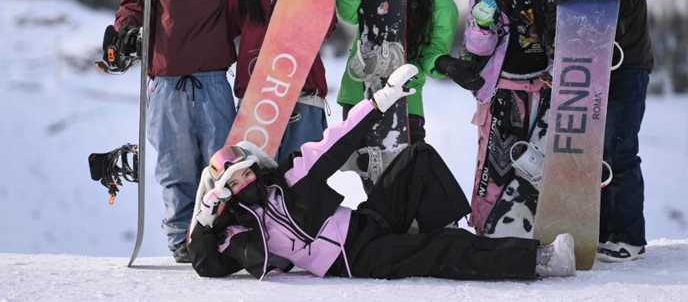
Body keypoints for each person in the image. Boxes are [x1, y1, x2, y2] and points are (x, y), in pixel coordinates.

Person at [187, 64, 576, 280]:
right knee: (442, 248)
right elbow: (208, 266)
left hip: (365, 222)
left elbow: (336, 140)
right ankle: (540, 260)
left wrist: (380, 101)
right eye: (233, 183)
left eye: (246, 173)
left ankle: (438, 234)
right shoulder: (238, 231)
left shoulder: (290, 180)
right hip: (355, 259)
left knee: (418, 158)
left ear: (257, 168)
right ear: (224, 193)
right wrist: (205, 221)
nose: (244, 183)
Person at [105, 0, 243, 263]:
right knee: (175, 167)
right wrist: (126, 31)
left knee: (221, 164)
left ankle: (219, 232)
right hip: (166, 83)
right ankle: (183, 238)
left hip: (213, 79)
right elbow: (133, 3)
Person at [548, 0, 653, 262]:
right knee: (582, 152)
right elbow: (558, 6)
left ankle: (627, 236)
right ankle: (592, 229)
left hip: (625, 62)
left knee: (618, 149)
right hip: (581, 64)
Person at [335, 0, 481, 178]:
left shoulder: (443, 6)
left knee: (404, 179)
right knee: (369, 176)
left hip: (404, 102)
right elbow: (347, 13)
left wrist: (444, 63)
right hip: (360, 91)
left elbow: (431, 53)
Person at [462, 0, 554, 237]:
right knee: (499, 165)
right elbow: (478, 47)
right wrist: (481, 24)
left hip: (546, 87)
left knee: (544, 164)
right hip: (504, 90)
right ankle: (489, 231)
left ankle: (545, 229)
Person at [226, 0, 337, 162]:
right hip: (257, 96)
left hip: (304, 91)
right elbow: (229, 26)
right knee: (254, 179)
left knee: (302, 177)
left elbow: (326, 28)